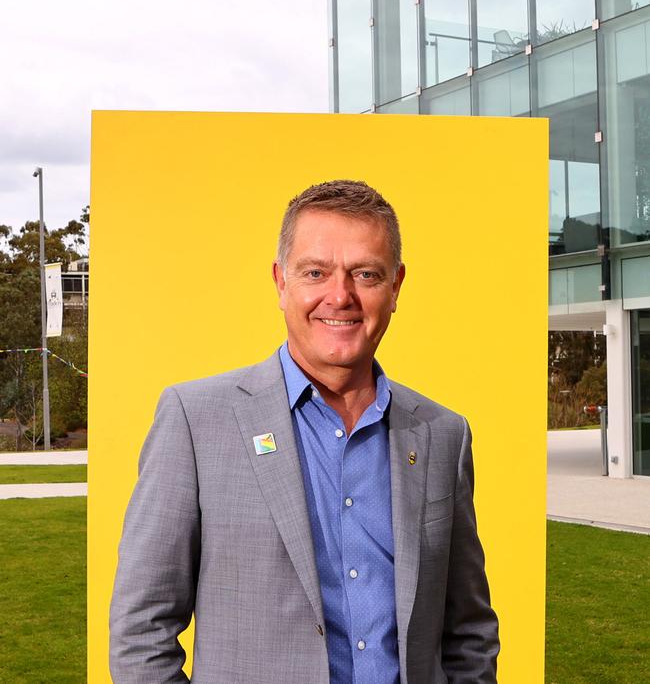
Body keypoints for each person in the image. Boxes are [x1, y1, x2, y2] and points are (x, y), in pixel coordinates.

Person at [109, 179, 499, 684]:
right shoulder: (195, 420)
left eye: (366, 273)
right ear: (280, 282)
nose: (341, 296)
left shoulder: (444, 434)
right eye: (316, 272)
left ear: (396, 286)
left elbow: (468, 628)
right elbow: (141, 631)